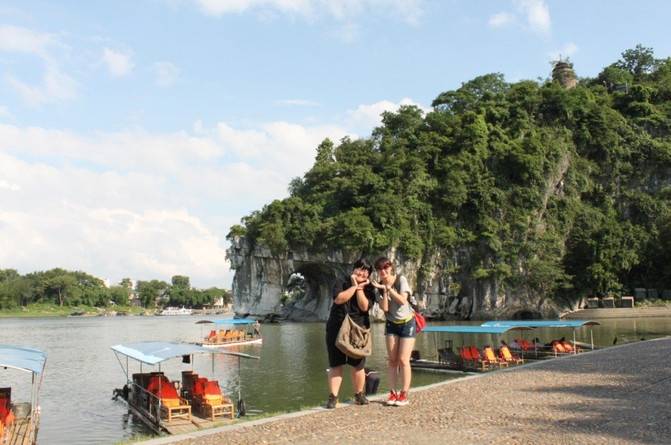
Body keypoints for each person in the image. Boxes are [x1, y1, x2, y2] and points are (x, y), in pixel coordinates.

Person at [324, 258, 375, 409]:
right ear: (353, 269)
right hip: (337, 327)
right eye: (360, 268)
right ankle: (333, 397)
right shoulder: (341, 281)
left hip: (358, 329)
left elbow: (364, 306)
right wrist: (354, 286)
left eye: (366, 271)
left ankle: (359, 395)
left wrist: (360, 289)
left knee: (358, 365)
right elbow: (339, 299)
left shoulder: (369, 288)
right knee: (336, 363)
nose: (362, 272)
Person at [371, 256, 415, 406]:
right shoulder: (378, 287)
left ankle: (404, 394)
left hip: (407, 323)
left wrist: (389, 289)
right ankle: (392, 393)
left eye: (385, 268)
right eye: (380, 269)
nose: (383, 271)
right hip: (391, 324)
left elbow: (403, 300)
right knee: (392, 361)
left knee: (403, 360)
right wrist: (383, 290)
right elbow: (384, 309)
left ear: (390, 268)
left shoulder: (400, 280)